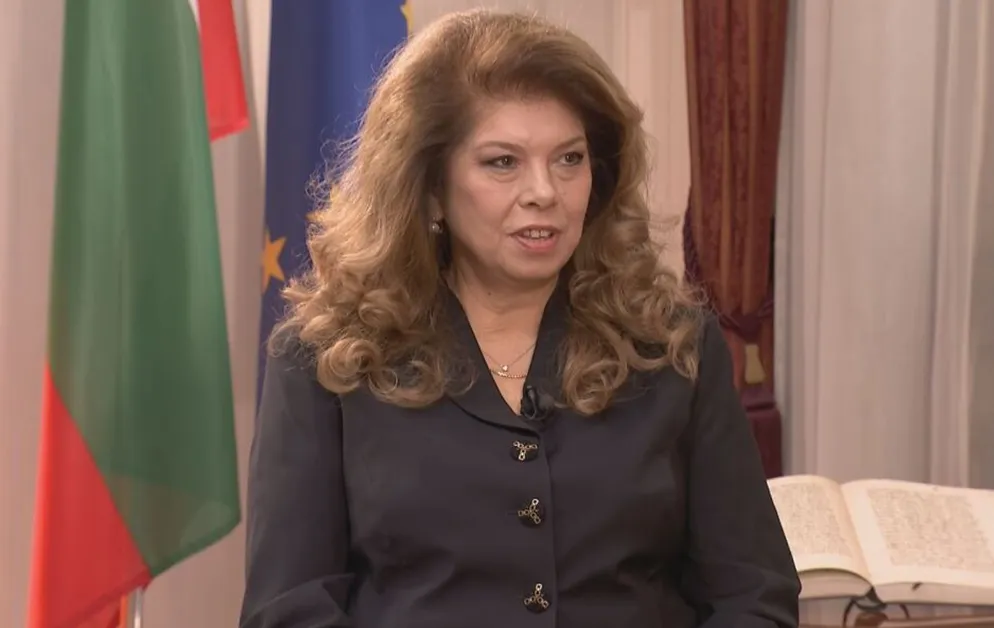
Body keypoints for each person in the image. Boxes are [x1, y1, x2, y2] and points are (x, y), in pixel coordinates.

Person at [240, 8, 800, 628]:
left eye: (569, 159)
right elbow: (289, 610)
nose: (544, 192)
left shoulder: (671, 347)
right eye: (502, 162)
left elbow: (754, 595)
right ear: (430, 187)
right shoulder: (327, 361)